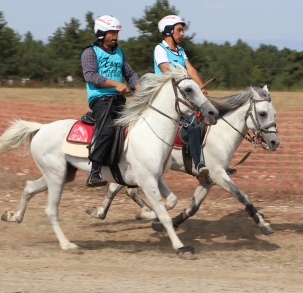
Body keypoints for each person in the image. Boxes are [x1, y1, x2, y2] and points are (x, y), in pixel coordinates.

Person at [81, 15, 140, 187]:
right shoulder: (90, 51)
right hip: (100, 99)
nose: (116, 35)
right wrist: (116, 84)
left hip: (118, 100)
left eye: (117, 32)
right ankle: (94, 171)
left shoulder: (119, 53)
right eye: (112, 32)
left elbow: (130, 74)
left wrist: (141, 91)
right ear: (101, 33)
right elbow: (90, 75)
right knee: (107, 130)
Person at [154, 15, 209, 181]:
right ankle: (198, 164)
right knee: (192, 126)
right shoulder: (160, 49)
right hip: (166, 99)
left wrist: (201, 87)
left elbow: (190, 69)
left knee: (204, 118)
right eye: (179, 30)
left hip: (181, 95)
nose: (182, 33)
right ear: (169, 31)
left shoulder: (180, 50)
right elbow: (166, 70)